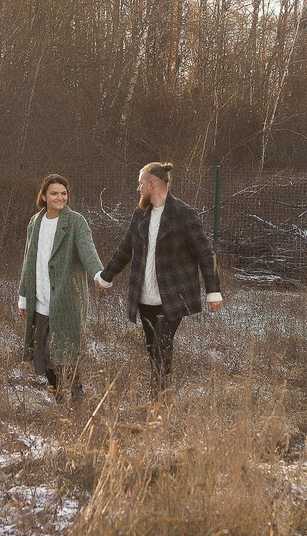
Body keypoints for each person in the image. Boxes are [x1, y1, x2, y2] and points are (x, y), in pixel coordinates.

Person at [91, 160, 222, 389]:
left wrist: (214, 291)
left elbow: (205, 254)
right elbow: (125, 249)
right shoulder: (140, 214)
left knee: (162, 346)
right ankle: (159, 392)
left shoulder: (184, 214)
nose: (138, 189)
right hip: (145, 298)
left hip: (173, 296)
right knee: (152, 349)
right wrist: (106, 276)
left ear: (151, 184)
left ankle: (159, 398)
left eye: (140, 183)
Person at [15, 173, 104, 394]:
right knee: (43, 358)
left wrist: (99, 275)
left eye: (64, 193)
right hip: (40, 300)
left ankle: (75, 401)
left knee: (67, 358)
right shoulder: (35, 222)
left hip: (66, 300)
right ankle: (60, 399)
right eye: (54, 193)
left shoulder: (75, 222)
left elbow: (88, 252)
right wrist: (23, 297)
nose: (60, 198)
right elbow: (28, 260)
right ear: (44, 196)